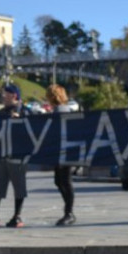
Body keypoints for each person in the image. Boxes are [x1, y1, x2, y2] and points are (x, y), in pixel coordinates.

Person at [0, 84, 31, 228]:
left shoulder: (25, 111)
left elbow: (32, 131)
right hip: (1, 155)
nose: (3, 97)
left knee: (19, 186)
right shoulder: (2, 112)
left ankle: (17, 216)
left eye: (6, 94)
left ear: (14, 96)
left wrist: (19, 120)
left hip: (17, 156)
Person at [46, 84, 76, 226]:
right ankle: (68, 211)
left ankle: (69, 212)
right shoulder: (67, 109)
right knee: (60, 181)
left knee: (64, 181)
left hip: (63, 151)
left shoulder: (59, 111)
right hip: (65, 150)